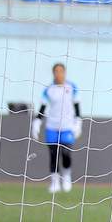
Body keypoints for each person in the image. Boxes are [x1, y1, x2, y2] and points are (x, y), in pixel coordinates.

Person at [30, 63, 82, 193]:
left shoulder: (72, 87)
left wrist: (78, 122)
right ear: (53, 73)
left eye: (61, 71)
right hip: (52, 126)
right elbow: (42, 108)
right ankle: (54, 182)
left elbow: (77, 107)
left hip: (67, 127)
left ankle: (67, 177)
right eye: (56, 71)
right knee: (54, 154)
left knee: (66, 154)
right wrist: (37, 122)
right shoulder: (48, 90)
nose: (58, 74)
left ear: (64, 73)